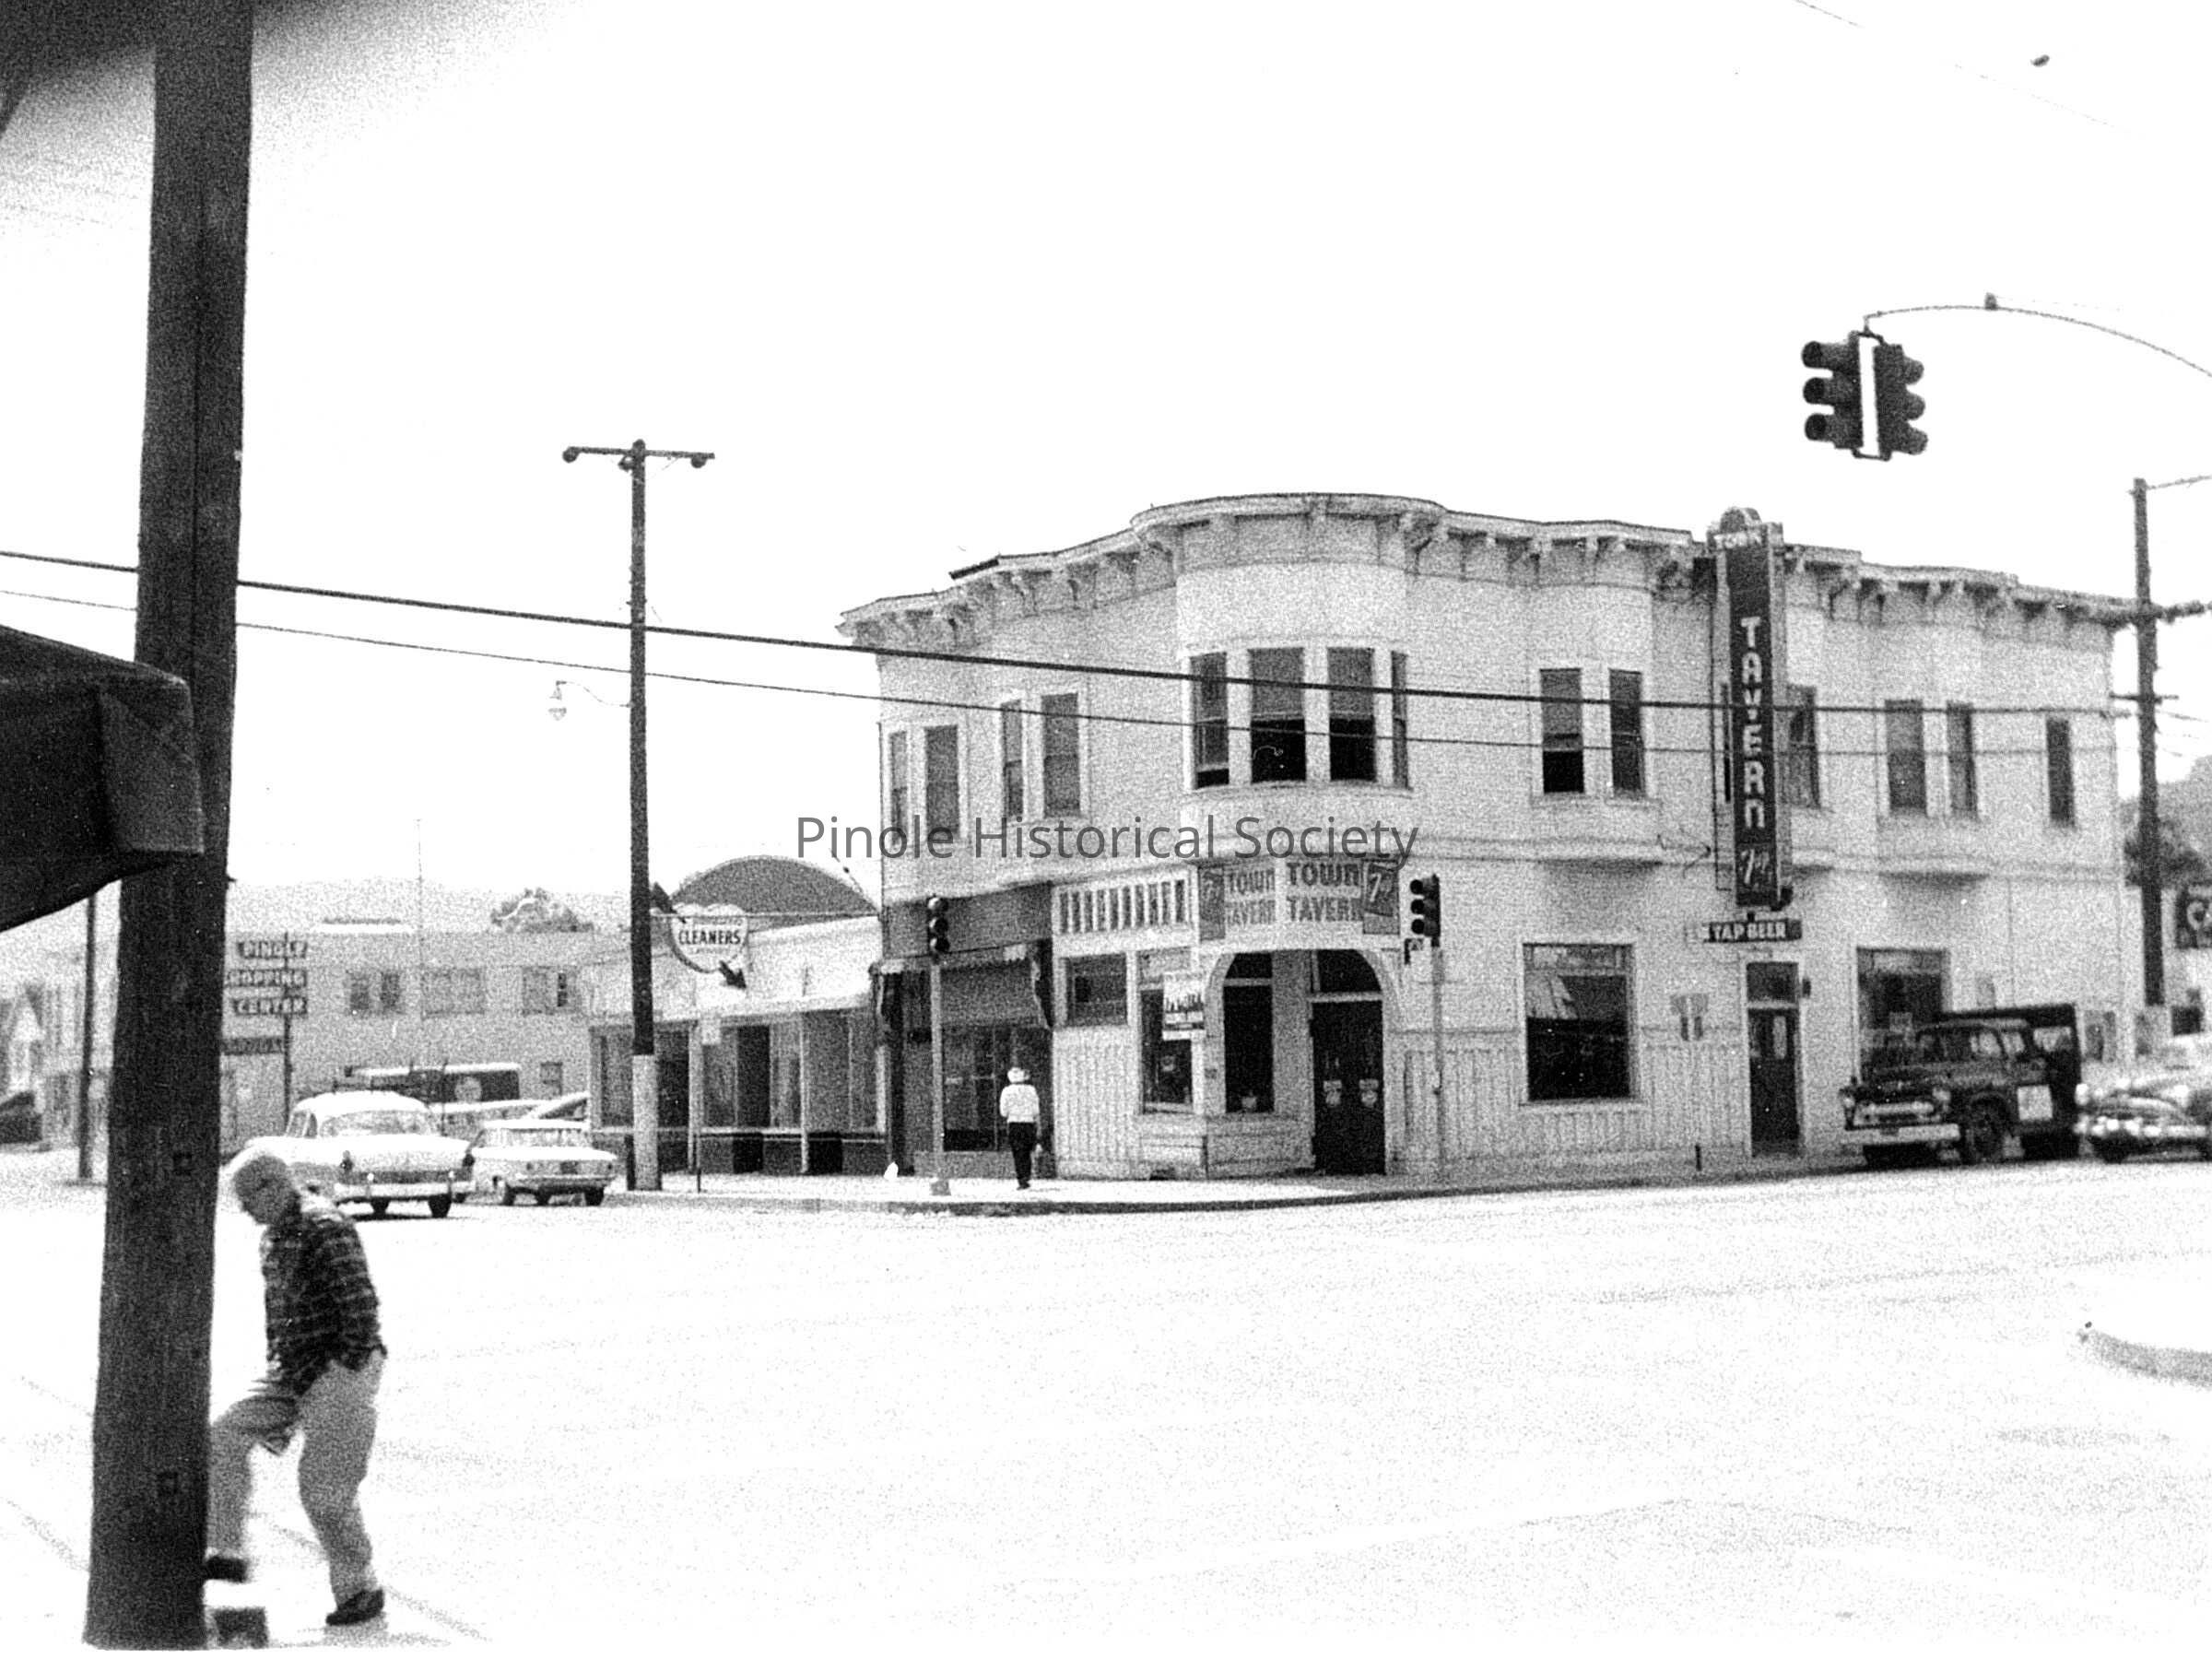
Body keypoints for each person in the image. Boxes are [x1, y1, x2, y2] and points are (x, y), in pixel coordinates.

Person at [204, 1149, 388, 1629]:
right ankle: (227, 1552)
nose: (244, 1210)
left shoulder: (324, 1227)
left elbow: (361, 1308)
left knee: (325, 1494)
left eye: (248, 1198)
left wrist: (342, 1373)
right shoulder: (274, 1235)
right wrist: (284, 1374)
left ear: (273, 1186)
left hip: (336, 1369)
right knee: (223, 1435)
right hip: (292, 1370)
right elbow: (278, 1313)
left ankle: (359, 1588)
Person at [997, 1065, 1041, 1189]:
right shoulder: (1031, 1090)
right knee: (1027, 1152)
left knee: (1018, 1152)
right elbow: (1036, 1110)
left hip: (1014, 1123)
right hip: (1028, 1123)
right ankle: (1027, 1176)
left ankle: (1021, 1179)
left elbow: (1003, 1112)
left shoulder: (1006, 1091)